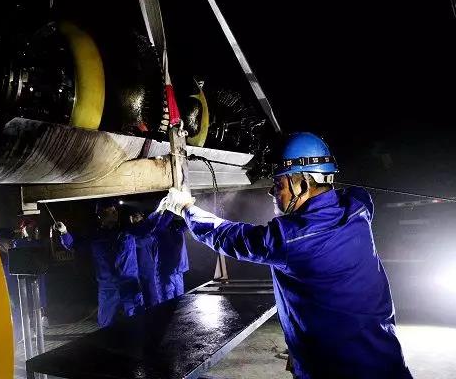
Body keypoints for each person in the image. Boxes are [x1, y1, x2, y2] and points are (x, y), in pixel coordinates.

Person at [159, 132, 412, 379]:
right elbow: (352, 193)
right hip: (385, 359)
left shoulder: (291, 239)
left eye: (278, 184)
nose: (272, 192)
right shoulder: (358, 208)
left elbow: (228, 236)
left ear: (302, 184)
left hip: (339, 369)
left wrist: (186, 208)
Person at [59, 200, 144, 327]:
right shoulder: (95, 237)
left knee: (137, 321)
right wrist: (64, 232)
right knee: (106, 325)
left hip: (129, 285)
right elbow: (74, 245)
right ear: (100, 215)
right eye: (108, 211)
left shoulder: (127, 231)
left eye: (114, 211)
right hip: (107, 288)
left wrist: (161, 212)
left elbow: (148, 229)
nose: (113, 214)